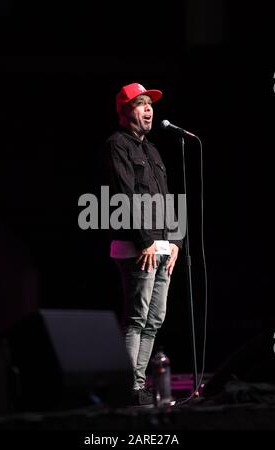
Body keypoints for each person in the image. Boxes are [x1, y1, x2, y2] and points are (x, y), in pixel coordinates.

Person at [101, 82, 183, 405]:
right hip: (138, 246)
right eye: (141, 104)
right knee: (136, 317)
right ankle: (129, 388)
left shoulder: (153, 150)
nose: (149, 109)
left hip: (162, 246)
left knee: (155, 319)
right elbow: (124, 195)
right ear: (125, 112)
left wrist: (175, 239)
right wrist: (145, 239)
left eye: (150, 104)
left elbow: (166, 198)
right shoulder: (116, 145)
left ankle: (137, 385)